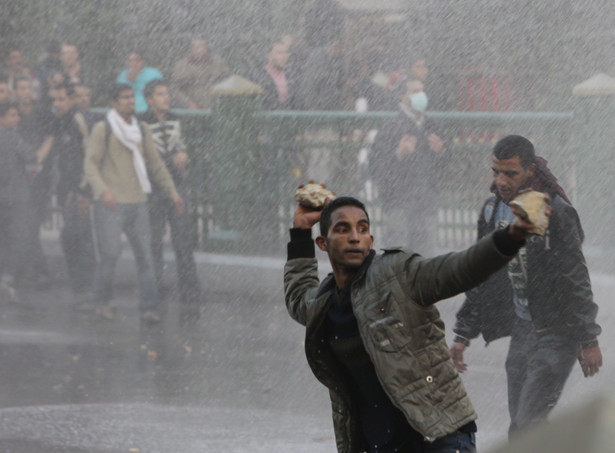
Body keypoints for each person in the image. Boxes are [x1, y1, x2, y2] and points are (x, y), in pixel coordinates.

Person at [284, 194, 539, 452]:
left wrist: (511, 237)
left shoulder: (398, 273)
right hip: (378, 444)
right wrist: (301, 228)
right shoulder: (324, 303)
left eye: (362, 229)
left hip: (438, 435)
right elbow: (297, 297)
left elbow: (460, 268)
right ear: (323, 243)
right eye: (342, 229)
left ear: (371, 240)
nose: (354, 237)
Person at [449, 135, 603, 438]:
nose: (501, 180)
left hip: (558, 332)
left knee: (527, 424)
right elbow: (482, 272)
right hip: (523, 329)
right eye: (496, 172)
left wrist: (587, 338)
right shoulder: (493, 210)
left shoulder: (554, 212)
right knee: (522, 427)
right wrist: (463, 332)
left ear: (530, 170)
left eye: (510, 173)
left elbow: (575, 277)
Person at [84, 83, 184, 323]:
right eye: (125, 98)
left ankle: (149, 308)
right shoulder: (103, 129)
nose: (130, 101)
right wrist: (103, 191)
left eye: (132, 97)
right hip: (111, 203)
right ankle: (101, 301)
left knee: (145, 257)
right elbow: (90, 164)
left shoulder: (141, 129)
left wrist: (173, 192)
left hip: (138, 201)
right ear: (113, 102)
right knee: (110, 255)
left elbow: (156, 163)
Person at [140, 79, 202, 307]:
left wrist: (183, 154)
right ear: (149, 100)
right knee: (154, 241)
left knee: (183, 239)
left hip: (176, 185)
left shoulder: (176, 119)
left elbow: (180, 145)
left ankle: (190, 289)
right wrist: (167, 161)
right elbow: (145, 159)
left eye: (166, 93)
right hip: (153, 189)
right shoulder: (141, 123)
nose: (165, 98)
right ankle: (153, 287)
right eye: (159, 94)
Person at [370, 78, 449, 254]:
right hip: (399, 202)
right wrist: (398, 154)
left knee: (426, 257)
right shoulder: (391, 127)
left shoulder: (432, 125)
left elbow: (447, 164)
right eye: (414, 91)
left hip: (425, 201)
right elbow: (375, 165)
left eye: (422, 90)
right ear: (402, 97)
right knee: (398, 258)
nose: (421, 95)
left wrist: (441, 151)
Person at [50, 82, 96, 308]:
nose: (57, 104)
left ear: (72, 100)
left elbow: (91, 155)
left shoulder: (79, 120)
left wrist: (83, 191)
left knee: (78, 239)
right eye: (54, 100)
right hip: (67, 191)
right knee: (72, 239)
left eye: (61, 99)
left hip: (80, 191)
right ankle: (82, 290)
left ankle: (87, 291)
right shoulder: (59, 122)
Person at [15, 75, 55, 287]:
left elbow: (50, 136)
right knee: (23, 224)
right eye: (21, 87)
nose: (25, 92)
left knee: (31, 224)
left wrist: (38, 158)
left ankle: (35, 269)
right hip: (16, 177)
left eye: (28, 88)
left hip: (39, 178)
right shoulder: (11, 113)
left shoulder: (42, 112)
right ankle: (37, 269)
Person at [0, 102, 38, 302]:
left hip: (6, 196)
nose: (17, 119)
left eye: (17, 115)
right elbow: (31, 155)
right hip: (13, 197)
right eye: (12, 115)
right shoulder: (13, 137)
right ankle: (9, 275)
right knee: (17, 236)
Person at [171, 37, 229, 110]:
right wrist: (188, 103)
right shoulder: (182, 65)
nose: (197, 49)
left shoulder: (218, 63)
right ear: (191, 49)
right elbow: (175, 89)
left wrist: (221, 102)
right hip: (193, 110)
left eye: (201, 46)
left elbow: (228, 84)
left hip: (216, 108)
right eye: (194, 46)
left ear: (206, 47)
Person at [249, 39, 301, 110]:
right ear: (269, 55)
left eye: (286, 52)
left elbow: (298, 102)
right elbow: (258, 102)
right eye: (279, 53)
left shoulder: (292, 76)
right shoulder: (257, 76)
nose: (284, 56)